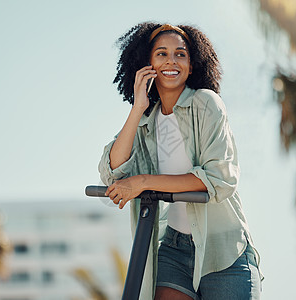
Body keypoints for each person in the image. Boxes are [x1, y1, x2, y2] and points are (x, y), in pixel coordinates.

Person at [98, 22, 262, 300]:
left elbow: (219, 178)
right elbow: (113, 173)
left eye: (180, 54)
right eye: (161, 54)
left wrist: (143, 182)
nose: (171, 61)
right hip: (174, 249)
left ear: (192, 63)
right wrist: (137, 108)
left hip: (223, 250)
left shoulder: (206, 104)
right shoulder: (146, 121)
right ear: (147, 63)